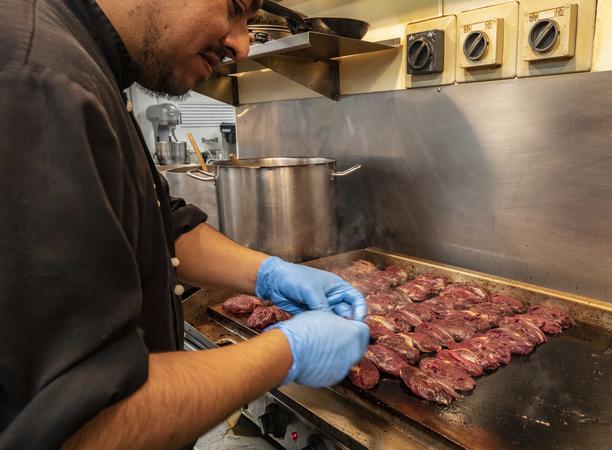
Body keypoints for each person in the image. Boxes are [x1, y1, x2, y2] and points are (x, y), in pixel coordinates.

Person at [0, 0, 370, 449]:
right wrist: (285, 351)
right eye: (235, 9)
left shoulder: (85, 60)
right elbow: (87, 422)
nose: (242, 45)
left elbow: (161, 221)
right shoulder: (37, 79)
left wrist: (268, 274)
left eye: (250, 23)